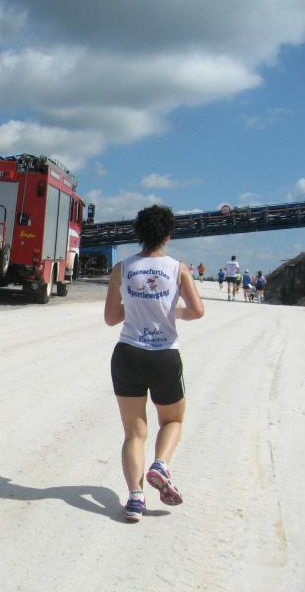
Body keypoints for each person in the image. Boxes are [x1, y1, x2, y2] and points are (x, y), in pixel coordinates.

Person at [104, 205, 205, 522]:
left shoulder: (122, 269)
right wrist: (176, 312)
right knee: (172, 420)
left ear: (138, 234)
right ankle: (160, 464)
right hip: (164, 356)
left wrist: (135, 309)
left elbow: (111, 318)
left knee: (134, 433)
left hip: (128, 354)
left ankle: (135, 499)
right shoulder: (178, 269)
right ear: (168, 235)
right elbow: (197, 311)